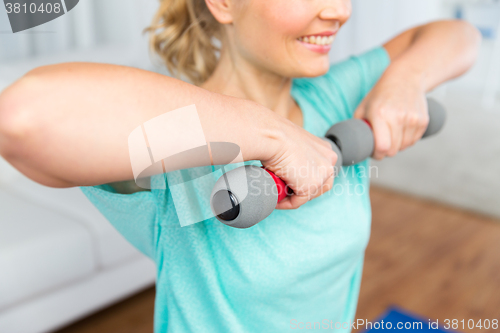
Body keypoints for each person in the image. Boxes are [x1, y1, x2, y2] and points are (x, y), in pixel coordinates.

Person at [0, 0, 480, 332]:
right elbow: (21, 118)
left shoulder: (335, 96)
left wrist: (404, 79)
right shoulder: (185, 152)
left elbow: (459, 36)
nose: (340, 10)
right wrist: (269, 133)